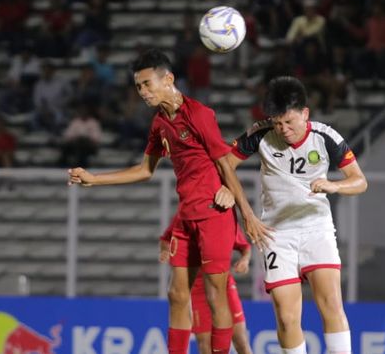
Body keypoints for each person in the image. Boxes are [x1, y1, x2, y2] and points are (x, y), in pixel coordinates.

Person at [68, 49, 269, 354]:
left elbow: (225, 165)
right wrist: (95, 179)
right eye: (138, 87)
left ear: (169, 79)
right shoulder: (160, 123)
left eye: (147, 84)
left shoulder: (199, 114)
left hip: (214, 215)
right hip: (186, 217)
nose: (143, 92)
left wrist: (248, 215)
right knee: (176, 294)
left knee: (216, 295)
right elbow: (145, 170)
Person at [223, 76, 368, 354]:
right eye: (277, 123)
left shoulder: (325, 137)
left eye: (289, 122)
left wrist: (334, 185)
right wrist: (244, 210)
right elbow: (225, 164)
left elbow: (360, 181)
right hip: (276, 235)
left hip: (317, 229)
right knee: (287, 319)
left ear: (305, 113)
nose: (283, 129)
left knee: (331, 304)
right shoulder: (261, 134)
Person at [159, 215, 253, 354]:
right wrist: (165, 250)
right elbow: (166, 239)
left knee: (240, 340)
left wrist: (245, 260)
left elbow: (244, 247)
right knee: (205, 345)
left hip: (222, 286)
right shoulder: (184, 215)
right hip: (198, 289)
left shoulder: (222, 216)